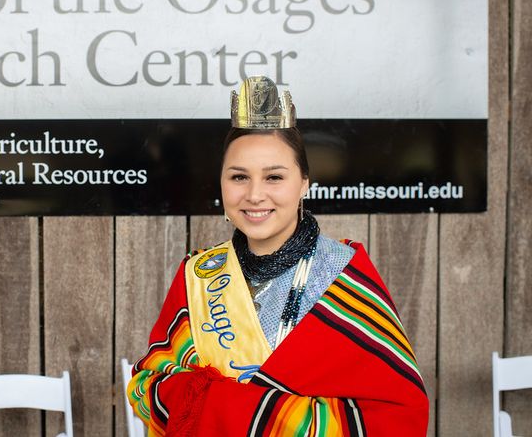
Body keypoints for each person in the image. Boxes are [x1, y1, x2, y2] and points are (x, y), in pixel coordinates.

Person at [126, 77, 429, 436]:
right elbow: (148, 385)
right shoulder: (199, 273)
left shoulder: (343, 273)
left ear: (303, 183)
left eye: (274, 177)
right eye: (239, 177)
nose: (254, 195)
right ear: (221, 183)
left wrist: (229, 408)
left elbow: (397, 416)